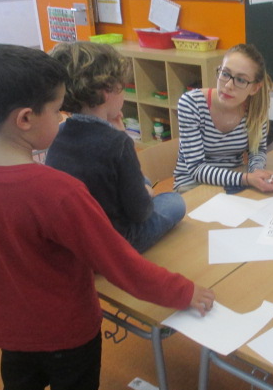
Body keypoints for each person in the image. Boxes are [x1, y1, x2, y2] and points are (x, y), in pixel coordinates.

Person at [0, 44, 215, 390]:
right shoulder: (58, 192)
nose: (63, 118)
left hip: (7, 331)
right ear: (26, 118)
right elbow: (120, 264)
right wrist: (183, 291)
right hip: (65, 333)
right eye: (57, 110)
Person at [45, 41, 186, 253]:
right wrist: (145, 190)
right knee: (175, 202)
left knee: (142, 183)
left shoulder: (57, 133)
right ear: (107, 91)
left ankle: (143, 187)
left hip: (77, 240)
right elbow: (141, 212)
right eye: (123, 86)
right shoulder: (117, 143)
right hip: (117, 242)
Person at [173, 43, 273, 193]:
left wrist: (256, 172)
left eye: (241, 80)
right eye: (225, 74)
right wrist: (246, 179)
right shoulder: (192, 103)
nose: (228, 85)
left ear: (255, 88)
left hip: (234, 180)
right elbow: (196, 168)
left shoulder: (255, 110)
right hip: (193, 184)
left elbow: (257, 151)